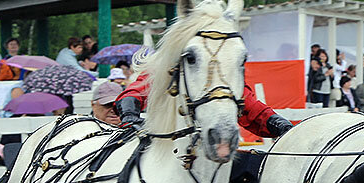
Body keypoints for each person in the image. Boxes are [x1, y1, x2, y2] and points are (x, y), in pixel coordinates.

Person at [113, 73, 293, 139]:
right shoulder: (167, 68)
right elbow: (133, 93)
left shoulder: (224, 77)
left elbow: (250, 107)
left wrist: (281, 125)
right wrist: (129, 114)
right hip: (164, 146)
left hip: (212, 148)